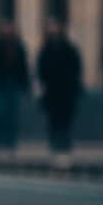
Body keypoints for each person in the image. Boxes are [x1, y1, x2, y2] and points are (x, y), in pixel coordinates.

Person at [36, 19, 83, 156]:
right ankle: (55, 142)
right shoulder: (45, 50)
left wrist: (74, 85)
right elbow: (41, 71)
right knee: (53, 118)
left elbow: (76, 68)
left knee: (66, 117)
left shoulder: (69, 49)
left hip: (66, 90)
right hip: (52, 91)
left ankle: (65, 142)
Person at [0, 21, 30, 151]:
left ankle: (9, 141)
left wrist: (25, 84)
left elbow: (23, 68)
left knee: (11, 115)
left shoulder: (18, 48)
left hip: (12, 85)